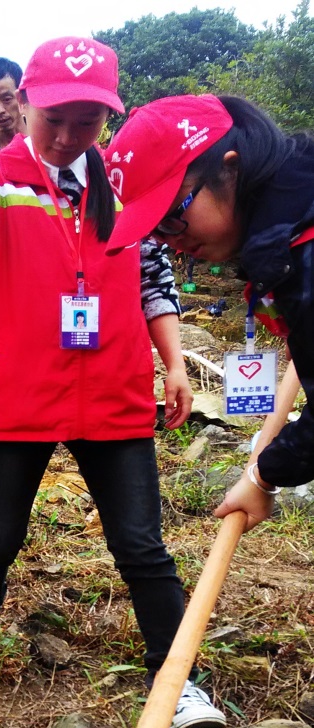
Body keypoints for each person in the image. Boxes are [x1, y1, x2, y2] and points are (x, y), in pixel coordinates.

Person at [0, 37, 226, 728]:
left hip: (113, 390)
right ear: (22, 103)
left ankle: (177, 681)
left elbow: (153, 278)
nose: (66, 136)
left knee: (141, 546)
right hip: (16, 389)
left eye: (87, 122)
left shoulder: (126, 184)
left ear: (108, 118)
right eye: (53, 118)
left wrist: (174, 363)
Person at [103, 93, 314, 532]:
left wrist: (265, 474)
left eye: (172, 216)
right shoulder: (290, 233)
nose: (171, 243)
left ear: (230, 170)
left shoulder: (305, 250)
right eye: (155, 231)